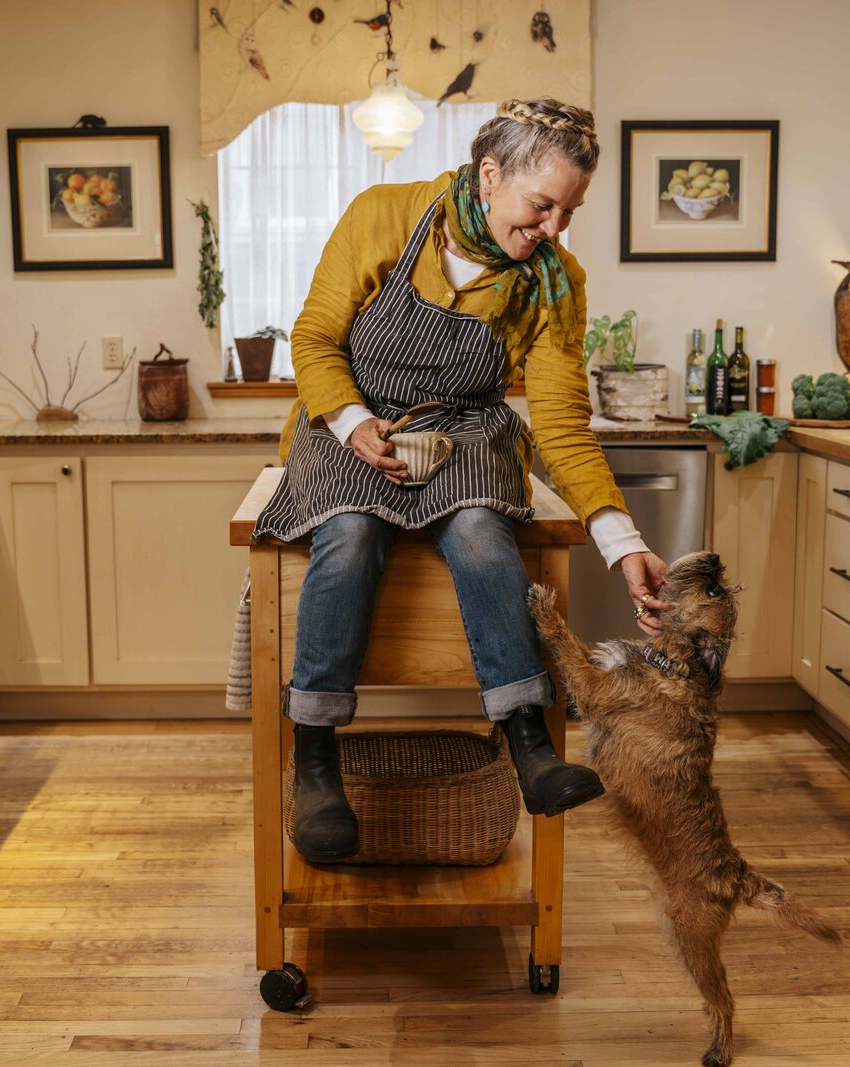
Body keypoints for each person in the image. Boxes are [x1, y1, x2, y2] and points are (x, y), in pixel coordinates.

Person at [250, 98, 670, 863]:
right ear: (489, 173)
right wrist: (350, 421)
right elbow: (313, 337)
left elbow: (563, 421)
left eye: (568, 212)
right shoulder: (385, 216)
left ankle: (528, 747)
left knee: (481, 529)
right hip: (350, 417)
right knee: (347, 533)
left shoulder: (553, 282)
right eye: (543, 206)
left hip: (465, 426)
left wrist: (623, 541)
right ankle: (314, 761)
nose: (554, 230)